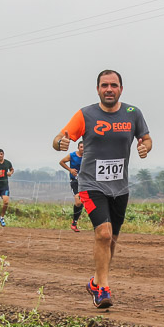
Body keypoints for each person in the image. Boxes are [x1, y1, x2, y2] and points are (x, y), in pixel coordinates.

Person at [52, 70, 151, 309]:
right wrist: (60, 143)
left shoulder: (133, 113)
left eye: (113, 85)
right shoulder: (86, 114)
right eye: (104, 85)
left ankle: (96, 281)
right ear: (97, 89)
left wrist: (145, 147)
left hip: (120, 187)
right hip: (91, 185)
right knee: (103, 234)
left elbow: (146, 138)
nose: (109, 89)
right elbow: (58, 139)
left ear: (121, 89)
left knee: (112, 239)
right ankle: (103, 290)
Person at [59, 141, 85, 232]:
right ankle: (74, 222)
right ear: (78, 148)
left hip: (86, 182)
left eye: (84, 147)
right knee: (78, 202)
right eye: (81, 147)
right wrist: (70, 170)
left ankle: (75, 223)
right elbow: (61, 162)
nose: (83, 148)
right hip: (75, 181)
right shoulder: (72, 155)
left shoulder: (88, 156)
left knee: (83, 202)